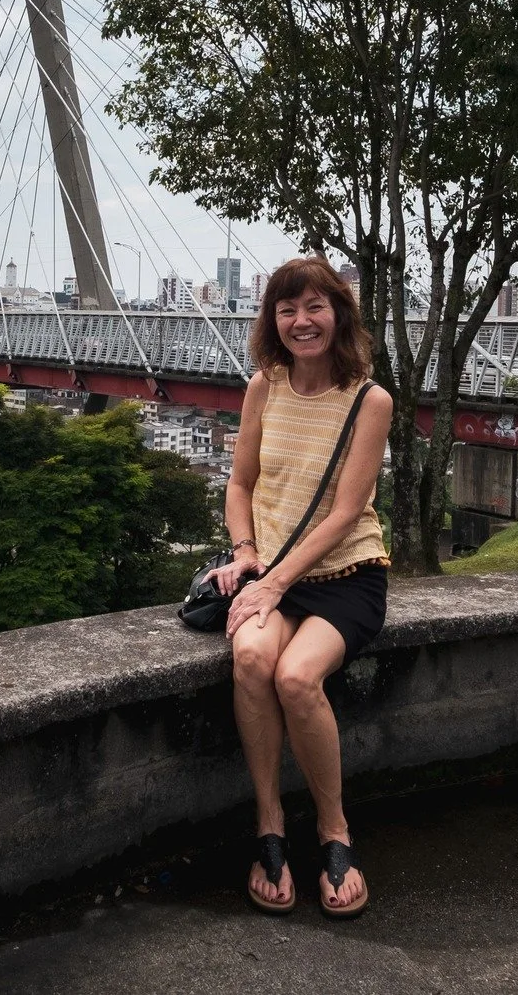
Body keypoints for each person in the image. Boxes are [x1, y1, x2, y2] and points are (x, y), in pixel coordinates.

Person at [211, 255, 393, 919]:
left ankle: (335, 831)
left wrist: (272, 582)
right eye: (287, 309)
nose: (300, 320)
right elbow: (241, 484)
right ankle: (269, 826)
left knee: (295, 677)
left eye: (314, 306)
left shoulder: (370, 400)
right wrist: (247, 554)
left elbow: (346, 510)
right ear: (273, 319)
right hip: (273, 572)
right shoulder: (266, 384)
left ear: (338, 313)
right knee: (251, 658)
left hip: (346, 577)